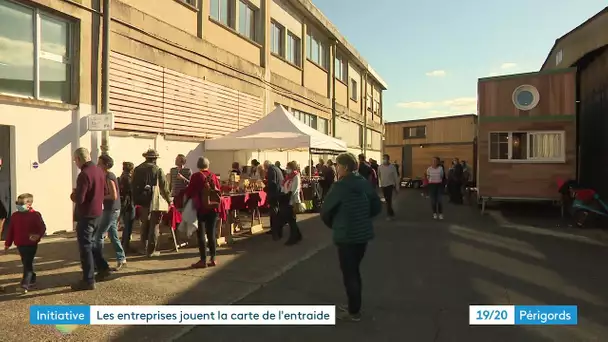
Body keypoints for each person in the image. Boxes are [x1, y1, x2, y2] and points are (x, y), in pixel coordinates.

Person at [320, 152, 382, 322]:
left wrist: (335, 224)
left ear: (345, 167)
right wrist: (362, 217)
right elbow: (376, 206)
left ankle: (354, 311)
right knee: (354, 270)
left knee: (350, 274)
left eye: (338, 166)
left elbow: (325, 211)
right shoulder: (363, 183)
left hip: (346, 236)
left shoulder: (340, 187)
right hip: (362, 236)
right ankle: (354, 305)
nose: (336, 169)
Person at [71, 147, 110, 291]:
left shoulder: (84, 175)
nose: (75, 163)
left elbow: (80, 199)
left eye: (75, 160)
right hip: (98, 213)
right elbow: (105, 191)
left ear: (79, 159)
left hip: (86, 214)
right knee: (92, 244)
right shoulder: (99, 170)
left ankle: (88, 279)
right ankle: (103, 268)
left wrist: (73, 195)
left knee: (85, 247)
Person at [3, 193, 46, 293]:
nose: (19, 205)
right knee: (26, 262)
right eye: (17, 203)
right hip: (20, 244)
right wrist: (7, 244)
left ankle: (25, 285)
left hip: (31, 244)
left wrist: (37, 236)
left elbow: (42, 228)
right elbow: (11, 231)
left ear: (29, 204)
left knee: (27, 264)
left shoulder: (35, 215)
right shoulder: (15, 216)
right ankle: (32, 278)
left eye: (21, 203)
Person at [132, 149, 171, 257]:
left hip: (141, 201)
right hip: (154, 200)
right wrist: (169, 200)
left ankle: (142, 248)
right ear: (154, 159)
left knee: (144, 224)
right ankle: (151, 250)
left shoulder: (137, 169)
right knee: (154, 225)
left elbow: (133, 185)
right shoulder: (157, 170)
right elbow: (164, 187)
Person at [185, 157, 220, 268]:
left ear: (198, 165)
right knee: (211, 234)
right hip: (213, 208)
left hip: (201, 208)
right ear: (208, 165)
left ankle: (203, 260)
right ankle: (213, 258)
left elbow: (189, 191)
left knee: (201, 234)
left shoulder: (195, 176)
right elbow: (218, 189)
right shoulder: (213, 175)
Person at [95, 155, 127, 271]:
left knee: (99, 235)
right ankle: (121, 258)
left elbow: (113, 195)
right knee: (113, 235)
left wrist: (100, 197)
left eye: (99, 163)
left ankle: (98, 261)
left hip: (112, 210)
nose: (97, 165)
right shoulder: (105, 176)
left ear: (105, 165)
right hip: (112, 209)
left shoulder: (109, 176)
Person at [280, 161, 303, 245]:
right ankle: (298, 235)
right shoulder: (288, 177)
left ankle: (294, 238)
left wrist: (288, 195)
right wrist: (282, 193)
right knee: (291, 220)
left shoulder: (296, 176)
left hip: (292, 200)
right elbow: (284, 186)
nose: (287, 169)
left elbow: (295, 189)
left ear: (292, 168)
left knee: (291, 220)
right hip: (286, 200)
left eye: (288, 167)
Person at [263, 160, 284, 240]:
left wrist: (265, 188)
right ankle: (277, 230)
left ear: (266, 166)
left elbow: (272, 183)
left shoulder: (271, 170)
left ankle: (276, 231)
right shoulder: (277, 168)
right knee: (277, 212)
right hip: (279, 192)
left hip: (274, 194)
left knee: (274, 213)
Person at [119, 162, 136, 252]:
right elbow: (131, 192)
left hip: (124, 204)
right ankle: (125, 245)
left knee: (127, 225)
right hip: (129, 204)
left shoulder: (122, 177)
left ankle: (124, 244)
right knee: (128, 225)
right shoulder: (128, 179)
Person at [378, 154, 400, 220]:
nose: (384, 160)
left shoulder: (392, 167)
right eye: (383, 158)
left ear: (388, 159)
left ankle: (389, 215)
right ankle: (391, 212)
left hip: (390, 185)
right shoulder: (380, 167)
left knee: (389, 200)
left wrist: (397, 187)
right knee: (387, 200)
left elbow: (396, 177)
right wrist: (380, 185)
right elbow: (379, 176)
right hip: (383, 185)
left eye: (385, 158)